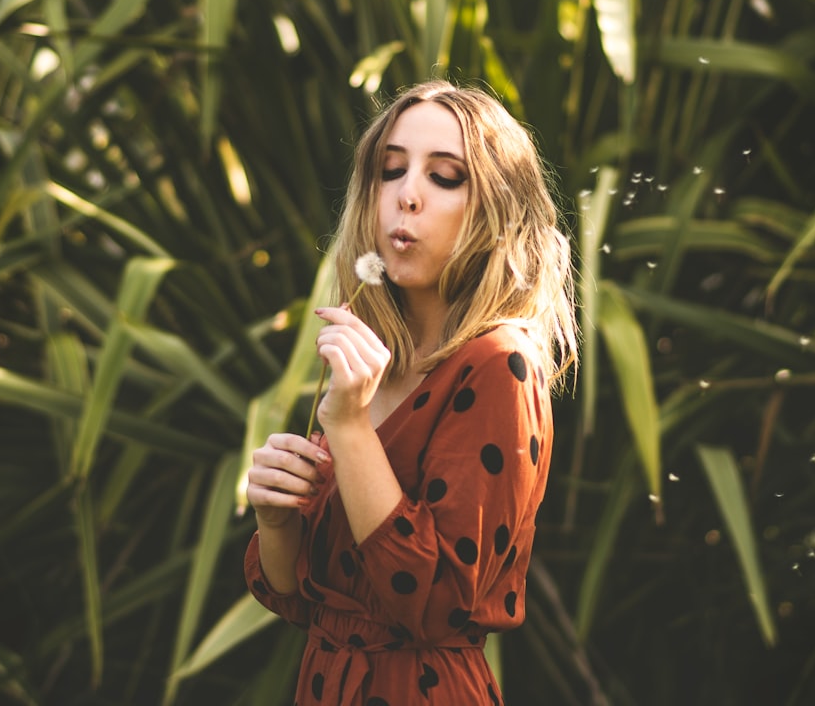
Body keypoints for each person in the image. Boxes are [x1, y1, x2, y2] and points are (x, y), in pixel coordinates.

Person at [244, 79, 578, 705]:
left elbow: (433, 606)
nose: (407, 196)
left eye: (445, 176)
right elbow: (297, 596)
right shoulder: (377, 358)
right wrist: (276, 518)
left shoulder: (498, 364)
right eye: (390, 170)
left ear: (497, 208)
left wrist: (348, 429)